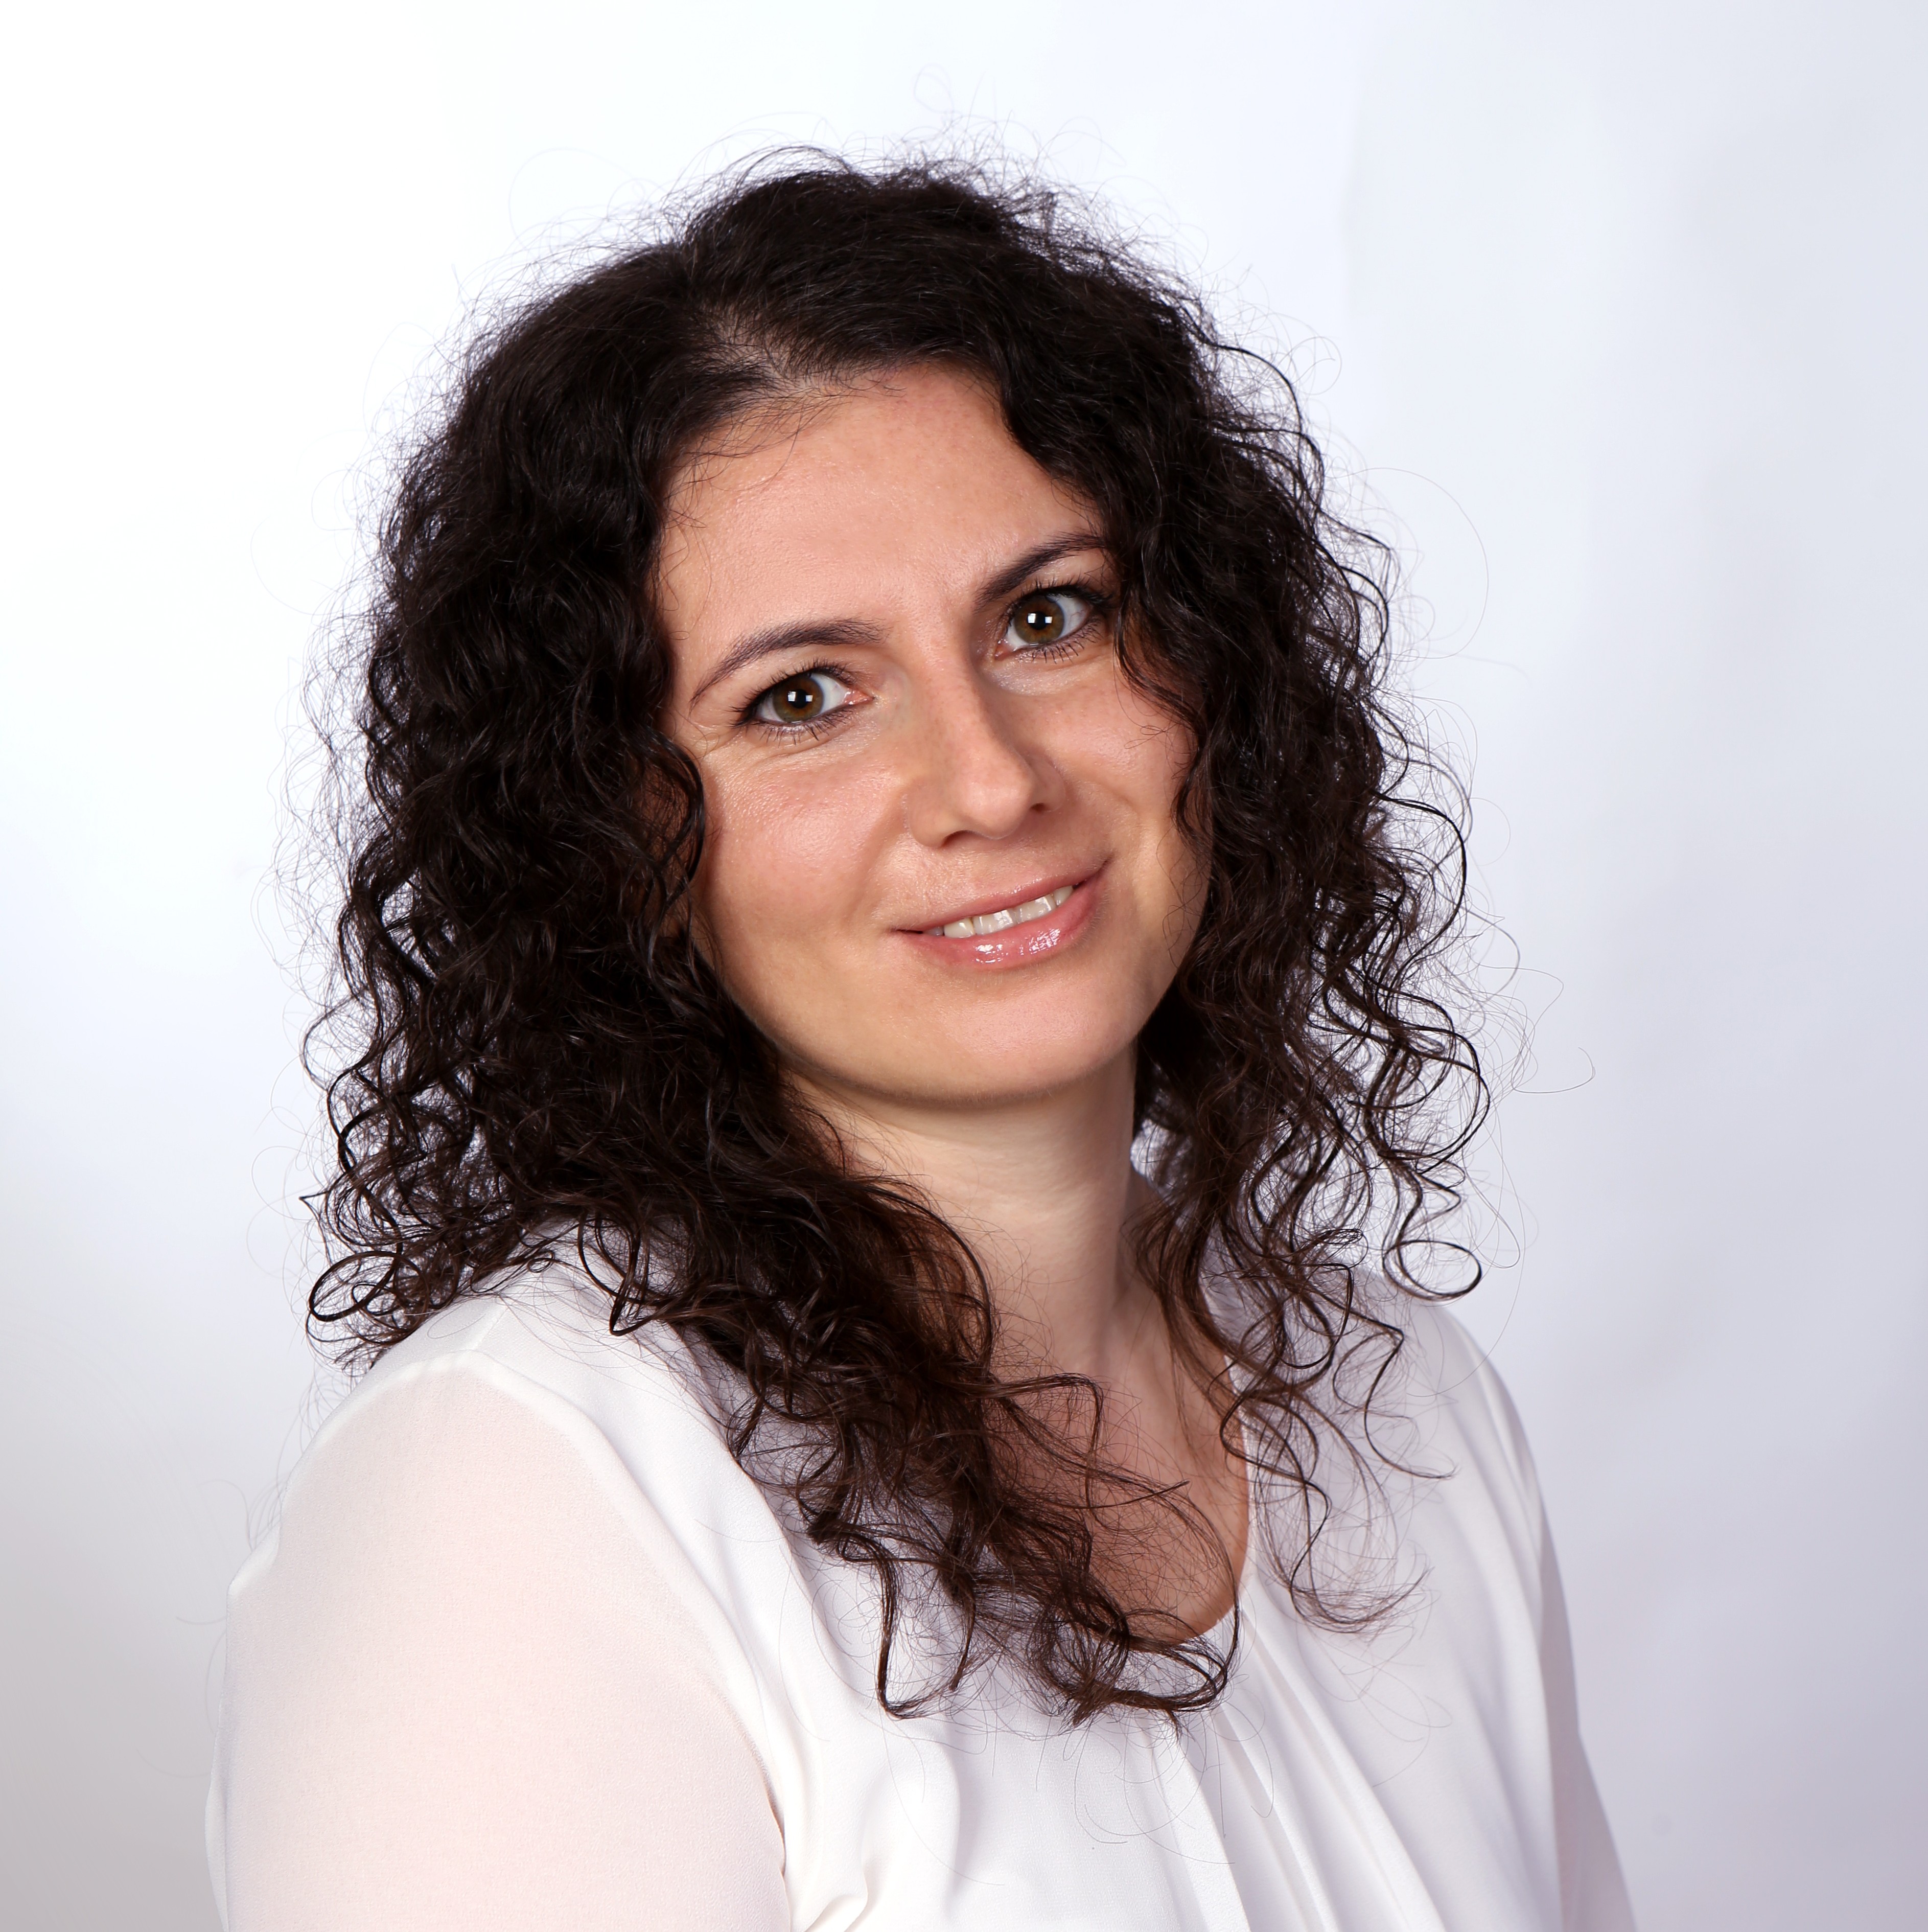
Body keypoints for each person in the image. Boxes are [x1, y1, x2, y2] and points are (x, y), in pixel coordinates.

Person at [208, 155, 1635, 1931]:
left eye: (1050, 616)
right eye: (802, 697)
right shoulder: (523, 1497)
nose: (990, 780)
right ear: (613, 842)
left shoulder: (1401, 1401)